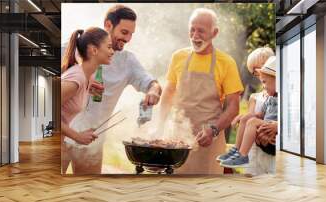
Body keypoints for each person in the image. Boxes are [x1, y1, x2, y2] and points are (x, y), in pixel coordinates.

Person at [67, 5, 162, 174]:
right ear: (108, 25)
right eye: (124, 32)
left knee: (89, 193)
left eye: (132, 34)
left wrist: (154, 90)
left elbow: (151, 82)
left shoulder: (127, 61)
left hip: (92, 141)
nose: (128, 39)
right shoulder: (76, 47)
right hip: (65, 134)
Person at [159, 8, 244, 174]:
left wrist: (213, 130)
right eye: (192, 29)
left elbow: (233, 107)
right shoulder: (178, 57)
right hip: (178, 137)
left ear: (214, 33)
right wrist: (159, 124)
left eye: (201, 31)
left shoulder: (226, 62)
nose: (195, 35)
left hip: (210, 140)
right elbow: (168, 94)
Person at [61, 27, 114, 174]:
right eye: (109, 47)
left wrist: (89, 88)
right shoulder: (76, 79)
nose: (112, 51)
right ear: (93, 50)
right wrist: (77, 136)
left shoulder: (87, 76)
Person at [217, 47, 274, 162]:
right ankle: (237, 151)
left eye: (261, 68)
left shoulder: (278, 94)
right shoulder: (254, 97)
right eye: (255, 72)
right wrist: (241, 118)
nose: (259, 74)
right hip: (256, 147)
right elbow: (252, 119)